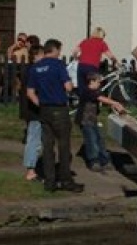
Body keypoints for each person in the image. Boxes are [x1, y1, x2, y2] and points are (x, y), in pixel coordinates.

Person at [26, 38, 84, 193]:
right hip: (59, 109)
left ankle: (49, 182)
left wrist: (41, 103)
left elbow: (30, 92)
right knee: (64, 146)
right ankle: (66, 180)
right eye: (60, 50)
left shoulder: (35, 68)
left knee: (47, 147)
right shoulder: (58, 65)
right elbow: (68, 86)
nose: (60, 53)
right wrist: (70, 85)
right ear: (55, 50)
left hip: (44, 110)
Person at [75, 72, 124, 172]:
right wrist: (114, 103)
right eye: (98, 82)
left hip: (93, 120)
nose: (99, 84)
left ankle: (104, 160)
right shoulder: (87, 91)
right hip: (85, 121)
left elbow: (102, 98)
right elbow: (100, 98)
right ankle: (94, 161)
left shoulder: (95, 91)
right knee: (91, 140)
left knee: (100, 139)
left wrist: (113, 105)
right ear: (91, 81)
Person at [20, 44, 43, 181]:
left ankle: (34, 167)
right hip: (34, 111)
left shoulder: (30, 70)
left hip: (31, 110)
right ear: (36, 56)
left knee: (37, 140)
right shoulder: (33, 71)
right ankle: (30, 170)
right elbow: (31, 93)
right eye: (42, 55)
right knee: (34, 140)